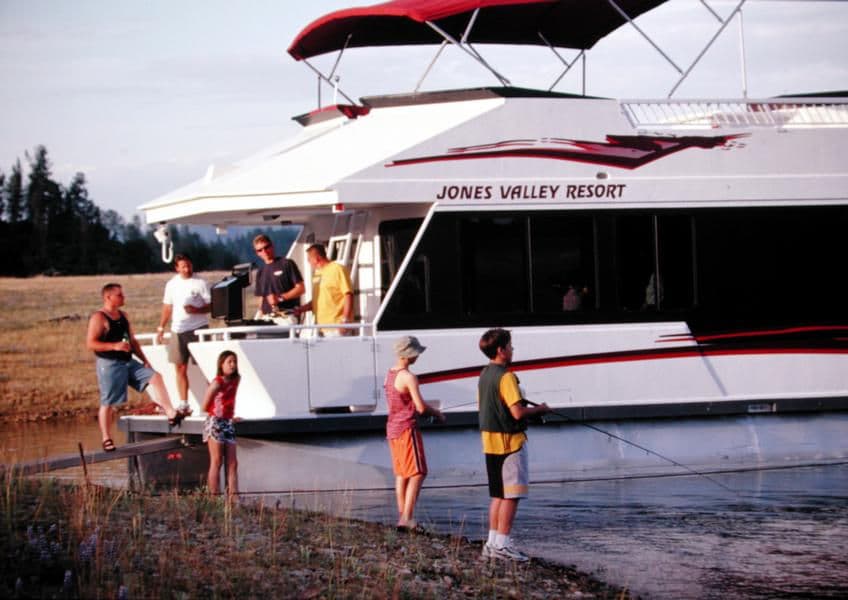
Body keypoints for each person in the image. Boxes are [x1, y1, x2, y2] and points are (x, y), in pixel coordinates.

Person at [477, 328, 550, 562]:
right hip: (510, 444)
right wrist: (541, 409)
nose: (512, 349)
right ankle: (503, 544)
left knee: (498, 495)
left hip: (490, 443)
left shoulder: (485, 374)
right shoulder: (506, 376)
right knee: (511, 495)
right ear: (501, 350)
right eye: (510, 346)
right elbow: (517, 413)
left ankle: (492, 543)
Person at [86, 283, 184, 452]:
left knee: (155, 377)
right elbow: (91, 343)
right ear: (108, 297)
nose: (123, 298)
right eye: (120, 295)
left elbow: (133, 341)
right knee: (108, 401)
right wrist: (114, 346)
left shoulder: (123, 316)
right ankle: (106, 438)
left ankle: (170, 413)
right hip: (110, 363)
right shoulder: (99, 317)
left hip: (128, 360)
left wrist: (144, 360)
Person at [384, 336, 445, 531]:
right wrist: (436, 413)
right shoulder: (409, 377)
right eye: (417, 353)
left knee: (402, 474)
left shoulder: (390, 374)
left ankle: (403, 516)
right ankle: (407, 518)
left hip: (392, 428)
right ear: (409, 354)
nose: (418, 356)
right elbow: (420, 407)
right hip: (407, 429)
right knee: (418, 472)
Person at [155, 253, 211, 415]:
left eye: (189, 265)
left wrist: (197, 310)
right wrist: (161, 327)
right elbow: (167, 307)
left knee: (204, 367)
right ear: (177, 268)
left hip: (198, 328)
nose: (187, 269)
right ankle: (184, 404)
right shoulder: (171, 284)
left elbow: (212, 306)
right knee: (180, 367)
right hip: (178, 330)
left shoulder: (201, 282)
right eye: (183, 266)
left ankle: (211, 404)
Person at [202, 350, 241, 499]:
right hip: (216, 422)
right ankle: (214, 498)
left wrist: (231, 416)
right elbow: (205, 406)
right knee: (217, 461)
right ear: (222, 364)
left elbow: (230, 401)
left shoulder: (236, 379)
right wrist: (220, 414)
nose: (233, 365)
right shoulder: (217, 383)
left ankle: (234, 498)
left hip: (228, 422)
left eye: (234, 362)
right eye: (229, 362)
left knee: (233, 463)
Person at [292, 243, 354, 336]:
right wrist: (301, 309)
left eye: (309, 259)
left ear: (317, 258)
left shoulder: (338, 269)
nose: (309, 262)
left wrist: (345, 320)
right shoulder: (317, 274)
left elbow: (348, 295)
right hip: (320, 328)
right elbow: (317, 301)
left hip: (336, 327)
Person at [253, 234, 305, 317]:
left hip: (286, 315)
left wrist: (280, 298)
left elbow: (301, 288)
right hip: (267, 317)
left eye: (266, 247)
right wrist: (259, 315)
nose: (264, 251)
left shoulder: (286, 263)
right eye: (260, 250)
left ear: (272, 246)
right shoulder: (260, 272)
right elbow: (262, 298)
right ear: (257, 253)